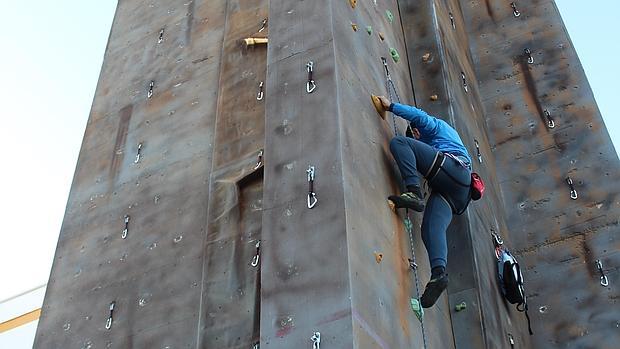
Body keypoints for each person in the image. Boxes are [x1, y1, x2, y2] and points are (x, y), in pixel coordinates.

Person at [375, 95, 473, 308]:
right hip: (456, 192)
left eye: (416, 133)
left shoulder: (437, 128)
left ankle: (413, 193)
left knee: (399, 143)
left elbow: (419, 116)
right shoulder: (440, 143)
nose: (417, 136)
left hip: (454, 169)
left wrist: (390, 106)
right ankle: (438, 274)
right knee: (431, 228)